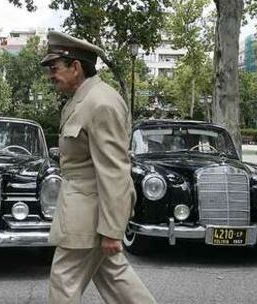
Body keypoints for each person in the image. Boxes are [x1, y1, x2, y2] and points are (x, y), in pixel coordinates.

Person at [41, 31, 156, 304]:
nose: (51, 75)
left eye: (55, 68)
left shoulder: (101, 102)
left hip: (89, 213)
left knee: (64, 282)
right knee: (116, 279)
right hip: (85, 209)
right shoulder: (84, 99)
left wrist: (112, 230)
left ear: (76, 67)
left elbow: (114, 169)